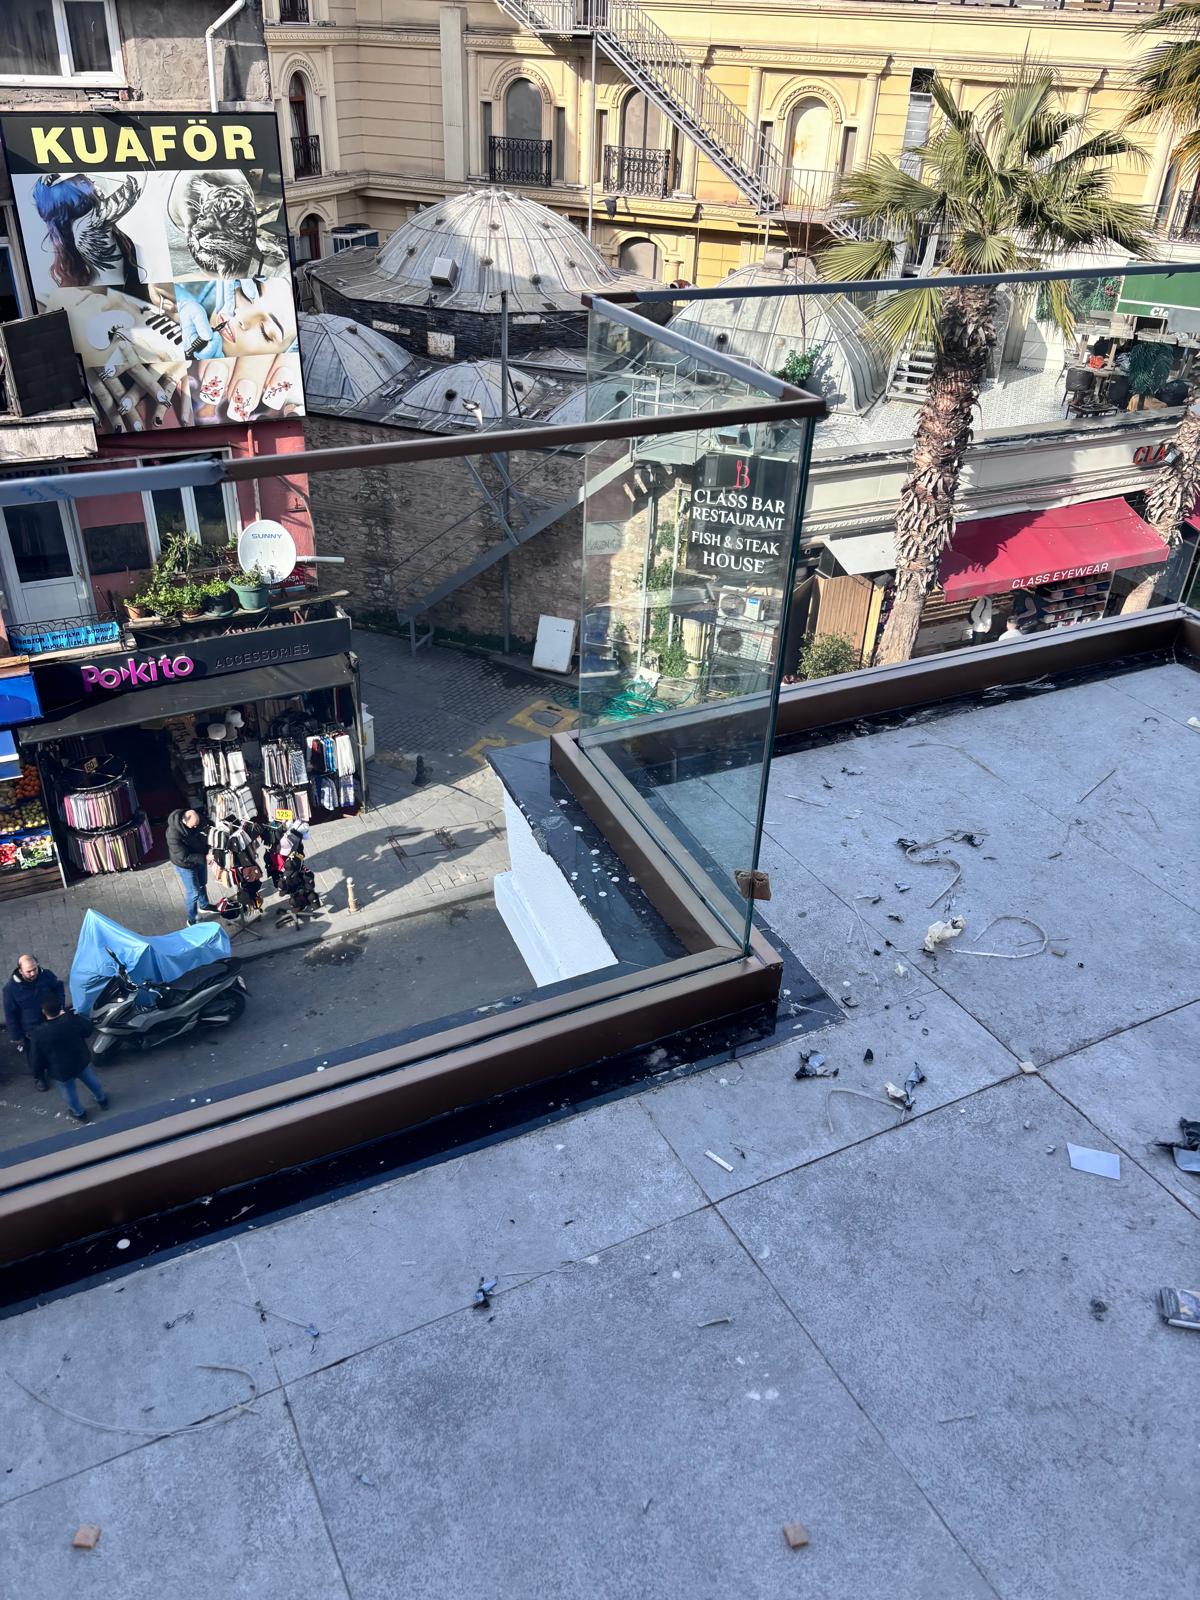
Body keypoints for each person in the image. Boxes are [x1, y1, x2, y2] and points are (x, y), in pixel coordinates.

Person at [27, 995, 108, 1123]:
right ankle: (101, 1099)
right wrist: (71, 1015)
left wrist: (38, 1074)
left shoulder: (38, 1034)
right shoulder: (70, 1020)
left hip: (59, 1068)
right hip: (79, 1059)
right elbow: (87, 1030)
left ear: (44, 1012)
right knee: (91, 1080)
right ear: (60, 1008)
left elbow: (37, 1057)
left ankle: (79, 1113)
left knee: (69, 1091)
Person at [3, 954, 66, 1086]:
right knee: (35, 1056)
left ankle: (55, 1069)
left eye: (34, 969)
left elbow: (59, 988)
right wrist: (16, 1036)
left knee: (55, 1049)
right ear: (20, 971)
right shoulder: (10, 989)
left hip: (50, 1022)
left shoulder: (46, 975)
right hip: (31, 1030)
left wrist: (59, 1005)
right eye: (28, 971)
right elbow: (10, 1014)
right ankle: (39, 1077)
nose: (33, 973)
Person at [167, 807, 214, 925]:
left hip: (200, 858)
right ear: (184, 821)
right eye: (193, 826)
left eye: (197, 824)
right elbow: (184, 857)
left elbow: (206, 829)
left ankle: (204, 905)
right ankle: (191, 919)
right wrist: (205, 858)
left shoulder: (196, 819)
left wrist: (209, 847)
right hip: (186, 866)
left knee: (202, 883)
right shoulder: (173, 834)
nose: (196, 826)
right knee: (193, 893)